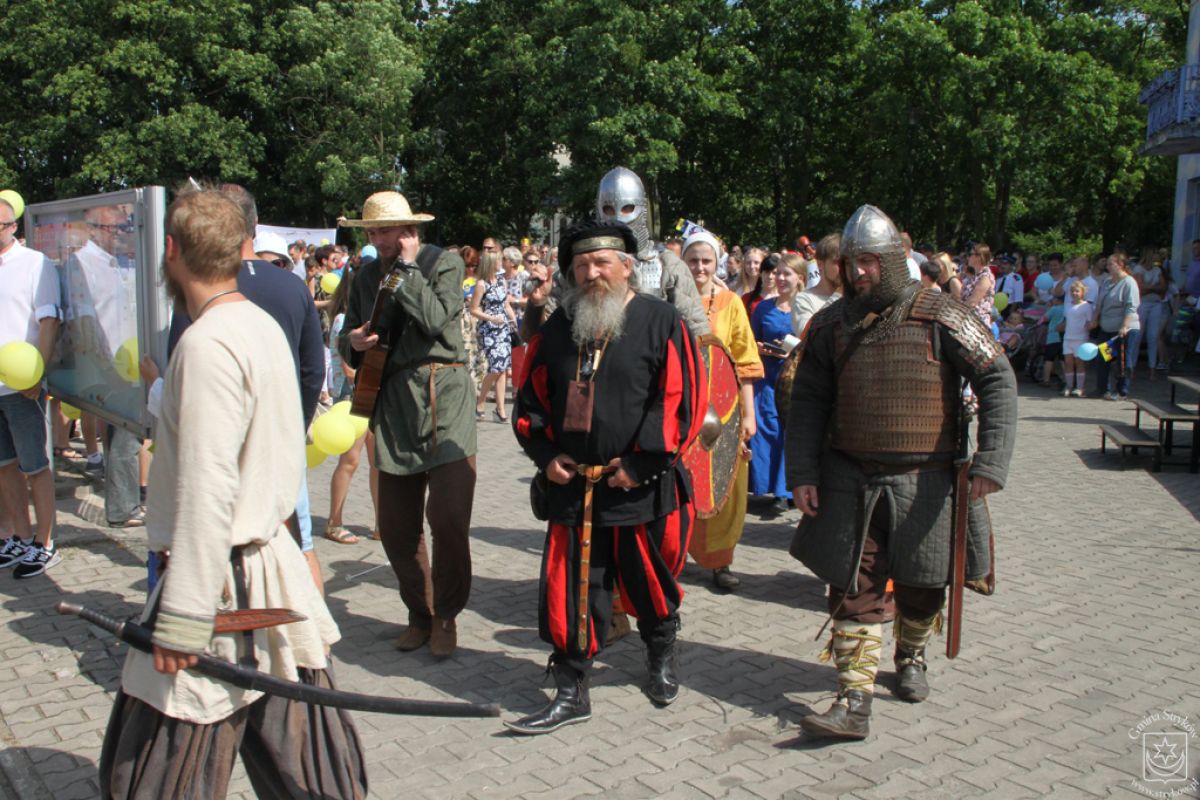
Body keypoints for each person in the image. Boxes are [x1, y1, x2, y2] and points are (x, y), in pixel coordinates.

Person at [97, 188, 366, 799]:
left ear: (171, 251)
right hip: (263, 570)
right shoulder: (256, 325)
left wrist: (183, 616)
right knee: (304, 772)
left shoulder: (208, 342)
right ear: (243, 249)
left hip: (223, 587)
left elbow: (209, 488)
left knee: (155, 780)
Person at [786, 205, 1017, 741]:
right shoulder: (830, 324)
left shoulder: (944, 314)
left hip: (928, 480)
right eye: (851, 262)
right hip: (850, 476)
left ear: (892, 260)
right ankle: (853, 700)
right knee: (853, 588)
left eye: (869, 261)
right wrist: (802, 472)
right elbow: (808, 402)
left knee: (922, 588)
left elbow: (997, 378)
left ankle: (910, 654)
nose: (858, 271)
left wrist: (990, 462)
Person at [506, 222, 706, 734]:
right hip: (574, 487)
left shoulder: (661, 320)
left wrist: (640, 465)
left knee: (649, 581)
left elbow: (681, 399)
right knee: (572, 589)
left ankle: (659, 651)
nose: (592, 273)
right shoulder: (559, 326)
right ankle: (572, 688)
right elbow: (531, 398)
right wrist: (545, 454)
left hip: (639, 484)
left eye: (602, 263)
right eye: (581, 266)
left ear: (626, 267)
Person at [165, 184, 326, 591]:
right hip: (281, 441)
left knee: (232, 557)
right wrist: (294, 427)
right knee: (301, 547)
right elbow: (312, 370)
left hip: (223, 455)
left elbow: (177, 376)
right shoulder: (292, 286)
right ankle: (311, 629)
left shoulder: (202, 296)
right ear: (254, 225)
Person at [340, 192, 476, 658]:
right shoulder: (363, 275)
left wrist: (410, 268)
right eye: (371, 231)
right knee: (396, 526)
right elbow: (347, 334)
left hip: (445, 396)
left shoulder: (443, 263)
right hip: (394, 401)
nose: (377, 239)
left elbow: (435, 320)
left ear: (409, 231)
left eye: (385, 231)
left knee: (449, 517)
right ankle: (420, 612)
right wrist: (352, 341)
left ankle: (447, 615)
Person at [522, 167, 710, 339]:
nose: (618, 218)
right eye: (609, 209)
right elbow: (537, 340)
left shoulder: (668, 266)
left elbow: (697, 338)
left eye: (628, 208)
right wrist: (537, 305)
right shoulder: (576, 269)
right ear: (598, 209)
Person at [681, 232, 762, 589]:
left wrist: (748, 415)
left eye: (706, 261)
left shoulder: (730, 303)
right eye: (693, 260)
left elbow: (744, 362)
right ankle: (671, 556)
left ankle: (720, 561)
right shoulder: (666, 301)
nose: (699, 267)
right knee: (680, 484)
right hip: (680, 410)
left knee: (724, 482)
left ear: (717, 263)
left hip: (723, 411)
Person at [0, 194, 61, 579]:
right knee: (4, 466)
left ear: (12, 227)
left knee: (35, 466)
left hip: (22, 387)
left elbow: (49, 321)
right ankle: (20, 537)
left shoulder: (35, 264)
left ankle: (45, 541)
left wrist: (37, 375)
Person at [748, 253, 802, 511]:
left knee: (791, 431)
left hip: (796, 380)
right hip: (768, 377)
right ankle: (768, 487)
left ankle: (787, 490)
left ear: (799, 278)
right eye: (777, 273)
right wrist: (761, 348)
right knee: (768, 430)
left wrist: (795, 351)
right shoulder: (763, 308)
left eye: (786, 274)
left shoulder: (806, 308)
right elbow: (751, 340)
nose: (779, 278)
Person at [470, 251, 516, 422]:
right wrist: (490, 318)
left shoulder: (502, 281)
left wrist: (513, 320)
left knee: (502, 369)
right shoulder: (481, 284)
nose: (501, 263)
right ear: (491, 263)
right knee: (496, 368)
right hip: (489, 330)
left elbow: (506, 304)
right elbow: (473, 309)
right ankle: (480, 403)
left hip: (503, 328)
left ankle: (500, 409)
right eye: (498, 260)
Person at [1089, 252, 1141, 401]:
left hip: (1125, 329)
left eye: (1111, 264)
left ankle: (1122, 391)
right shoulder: (1107, 282)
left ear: (1121, 265)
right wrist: (1094, 319)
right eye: (1107, 264)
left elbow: (1131, 306)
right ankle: (1102, 389)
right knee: (1103, 358)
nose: (1108, 267)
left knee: (1122, 361)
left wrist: (1125, 326)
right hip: (1107, 328)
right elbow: (1099, 304)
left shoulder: (1129, 282)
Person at [792, 234, 844, 336]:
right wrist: (838, 295)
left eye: (846, 262)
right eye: (837, 262)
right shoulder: (803, 300)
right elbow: (806, 336)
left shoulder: (855, 295)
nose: (843, 267)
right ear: (820, 264)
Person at [1062, 280, 1092, 397]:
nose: (1075, 293)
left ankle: (1080, 388)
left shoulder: (1087, 306)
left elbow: (1089, 322)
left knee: (1079, 363)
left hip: (1081, 338)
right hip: (1068, 337)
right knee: (1068, 362)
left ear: (1083, 292)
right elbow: (1066, 320)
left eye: (1077, 291)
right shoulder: (1068, 305)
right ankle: (1069, 386)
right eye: (1073, 291)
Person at [961, 243, 996, 329]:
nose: (967, 257)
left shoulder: (985, 277)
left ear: (979, 257)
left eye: (970, 254)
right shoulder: (975, 276)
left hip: (977, 323)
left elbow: (972, 302)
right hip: (967, 318)